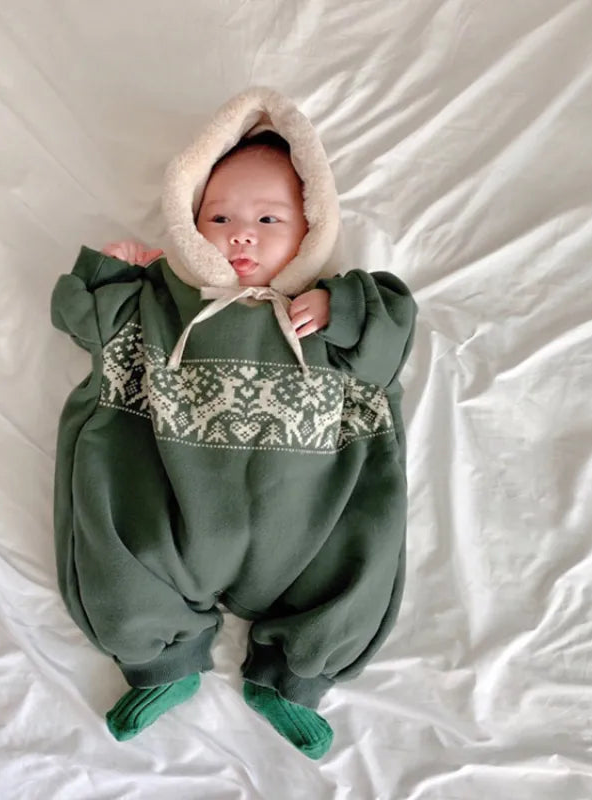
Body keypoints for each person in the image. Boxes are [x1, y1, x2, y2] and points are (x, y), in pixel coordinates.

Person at [51, 88, 417, 760]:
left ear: (312, 228)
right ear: (189, 221)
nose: (241, 233)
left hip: (310, 521)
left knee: (358, 560)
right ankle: (159, 661)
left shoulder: (337, 312)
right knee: (116, 551)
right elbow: (82, 320)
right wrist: (114, 275)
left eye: (269, 218)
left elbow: (393, 337)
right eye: (218, 216)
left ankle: (296, 677)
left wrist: (340, 308)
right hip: (169, 505)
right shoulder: (161, 302)